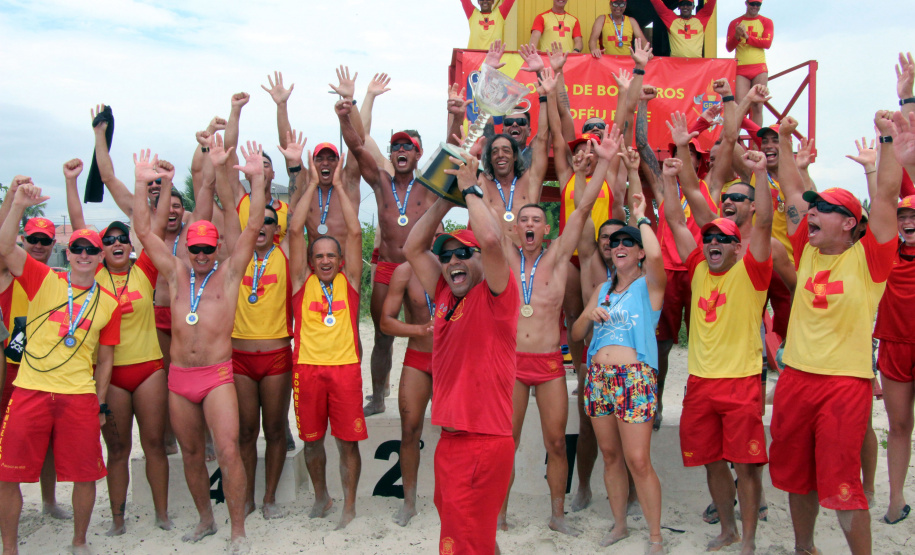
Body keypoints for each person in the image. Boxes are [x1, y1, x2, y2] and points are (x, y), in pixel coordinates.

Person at [768, 112, 901, 555]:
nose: (813, 213)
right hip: (796, 381)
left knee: (844, 485)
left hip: (844, 385)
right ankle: (804, 548)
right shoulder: (807, 249)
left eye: (824, 208)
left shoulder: (869, 260)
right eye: (814, 207)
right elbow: (791, 190)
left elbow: (885, 195)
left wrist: (887, 139)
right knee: (796, 476)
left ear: (848, 223)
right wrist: (784, 142)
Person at [133, 144, 267, 554]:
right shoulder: (175, 274)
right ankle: (206, 520)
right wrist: (142, 184)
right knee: (192, 454)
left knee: (228, 450)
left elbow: (252, 225)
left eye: (210, 248)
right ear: (187, 249)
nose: (204, 255)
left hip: (216, 375)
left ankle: (238, 530)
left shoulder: (228, 276)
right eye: (197, 249)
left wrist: (257, 180)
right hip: (180, 378)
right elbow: (143, 232)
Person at [497, 128, 617, 536]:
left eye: (537, 220)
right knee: (504, 445)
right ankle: (500, 514)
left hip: (549, 364)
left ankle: (557, 514)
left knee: (554, 444)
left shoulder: (559, 256)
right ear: (515, 230)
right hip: (512, 365)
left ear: (546, 230)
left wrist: (604, 162)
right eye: (524, 220)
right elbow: (486, 204)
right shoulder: (505, 257)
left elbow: (582, 208)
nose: (530, 225)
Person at [0, 184, 122, 555]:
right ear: (67, 253)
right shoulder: (44, 279)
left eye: (91, 250)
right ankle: (9, 548)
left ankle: (79, 542)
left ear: (100, 257)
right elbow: (6, 249)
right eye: (78, 249)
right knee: (8, 474)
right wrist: (18, 203)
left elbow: (105, 360)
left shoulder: (109, 303)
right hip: (30, 389)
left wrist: (100, 403)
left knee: (85, 475)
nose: (84, 254)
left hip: (78, 396)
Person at [405, 154, 517, 554]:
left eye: (461, 255)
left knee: (462, 543)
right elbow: (412, 246)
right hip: (450, 440)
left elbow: (489, 240)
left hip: (483, 441)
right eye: (447, 255)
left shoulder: (497, 296)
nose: (453, 261)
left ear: (481, 264)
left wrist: (471, 189)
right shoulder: (442, 295)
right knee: (471, 536)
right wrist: (444, 195)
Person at [664, 151, 773, 555]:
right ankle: (727, 530)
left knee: (745, 465)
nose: (713, 243)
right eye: (709, 237)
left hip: (741, 382)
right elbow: (676, 219)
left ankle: (748, 539)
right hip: (700, 385)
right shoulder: (696, 268)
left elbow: (763, 220)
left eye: (723, 239)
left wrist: (760, 173)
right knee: (711, 461)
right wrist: (668, 177)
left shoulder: (753, 270)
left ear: (737, 247)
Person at [64, 161, 173, 536]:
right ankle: (118, 518)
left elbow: (153, 227)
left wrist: (151, 184)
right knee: (119, 450)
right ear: (99, 249)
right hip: (110, 376)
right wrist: (71, 182)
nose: (114, 244)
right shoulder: (93, 274)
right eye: (107, 241)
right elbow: (79, 226)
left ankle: (161, 514)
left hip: (149, 371)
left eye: (120, 239)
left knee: (155, 445)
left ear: (130, 245)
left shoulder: (145, 268)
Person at [204, 132, 301, 521]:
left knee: (275, 430)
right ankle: (244, 498)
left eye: (269, 222)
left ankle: (271, 497)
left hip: (276, 355)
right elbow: (231, 201)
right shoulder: (236, 258)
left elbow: (296, 210)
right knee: (245, 433)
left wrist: (288, 169)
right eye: (256, 222)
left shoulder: (287, 253)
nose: (261, 226)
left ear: (277, 228)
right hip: (240, 356)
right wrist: (223, 167)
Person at [571, 194, 666, 553]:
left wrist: (640, 218)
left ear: (639, 252)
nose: (619, 246)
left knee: (638, 460)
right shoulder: (601, 290)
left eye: (629, 243)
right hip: (598, 379)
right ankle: (621, 525)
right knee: (610, 456)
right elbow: (577, 335)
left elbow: (657, 257)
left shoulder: (649, 287)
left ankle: (655, 537)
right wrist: (588, 315)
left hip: (634, 378)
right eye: (615, 243)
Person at [337, 96, 437, 418]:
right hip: (388, 266)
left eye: (407, 147)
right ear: (392, 155)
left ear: (417, 154)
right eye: (396, 147)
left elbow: (452, 146)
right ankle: (379, 396)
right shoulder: (381, 182)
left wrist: (455, 114)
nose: (400, 152)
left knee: (429, 331)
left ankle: (438, 396)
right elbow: (357, 148)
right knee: (383, 334)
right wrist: (344, 116)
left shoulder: (429, 186)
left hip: (421, 269)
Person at [286, 147, 364, 530]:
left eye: (333, 255)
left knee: (347, 443)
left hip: (345, 370)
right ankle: (321, 496)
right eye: (320, 256)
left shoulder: (350, 283)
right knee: (313, 442)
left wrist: (340, 189)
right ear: (312, 262)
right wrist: (312, 183)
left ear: (340, 259)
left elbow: (353, 231)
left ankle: (349, 505)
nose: (327, 260)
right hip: (308, 370)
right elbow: (293, 230)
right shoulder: (302, 283)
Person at [378, 256, 438, 527]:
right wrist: (420, 329)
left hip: (451, 360)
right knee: (409, 430)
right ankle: (410, 503)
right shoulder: (404, 271)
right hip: (418, 357)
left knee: (457, 431)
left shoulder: (457, 262)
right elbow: (386, 323)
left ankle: (457, 497)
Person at [726, 1, 773, 126]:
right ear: (746, 3)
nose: (755, 7)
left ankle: (758, 142)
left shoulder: (766, 21)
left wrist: (747, 37)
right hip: (741, 68)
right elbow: (729, 48)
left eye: (758, 5)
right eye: (752, 4)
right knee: (740, 106)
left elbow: (767, 43)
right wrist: (737, 36)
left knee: (758, 106)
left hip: (759, 67)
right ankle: (733, 140)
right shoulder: (735, 23)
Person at [649, 0, 717, 58]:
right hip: (676, 64)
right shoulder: (672, 20)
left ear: (693, 6)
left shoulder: (700, 20)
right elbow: (657, 4)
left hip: (696, 65)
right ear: (678, 7)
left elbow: (711, 3)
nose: (685, 7)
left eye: (688, 4)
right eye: (682, 4)